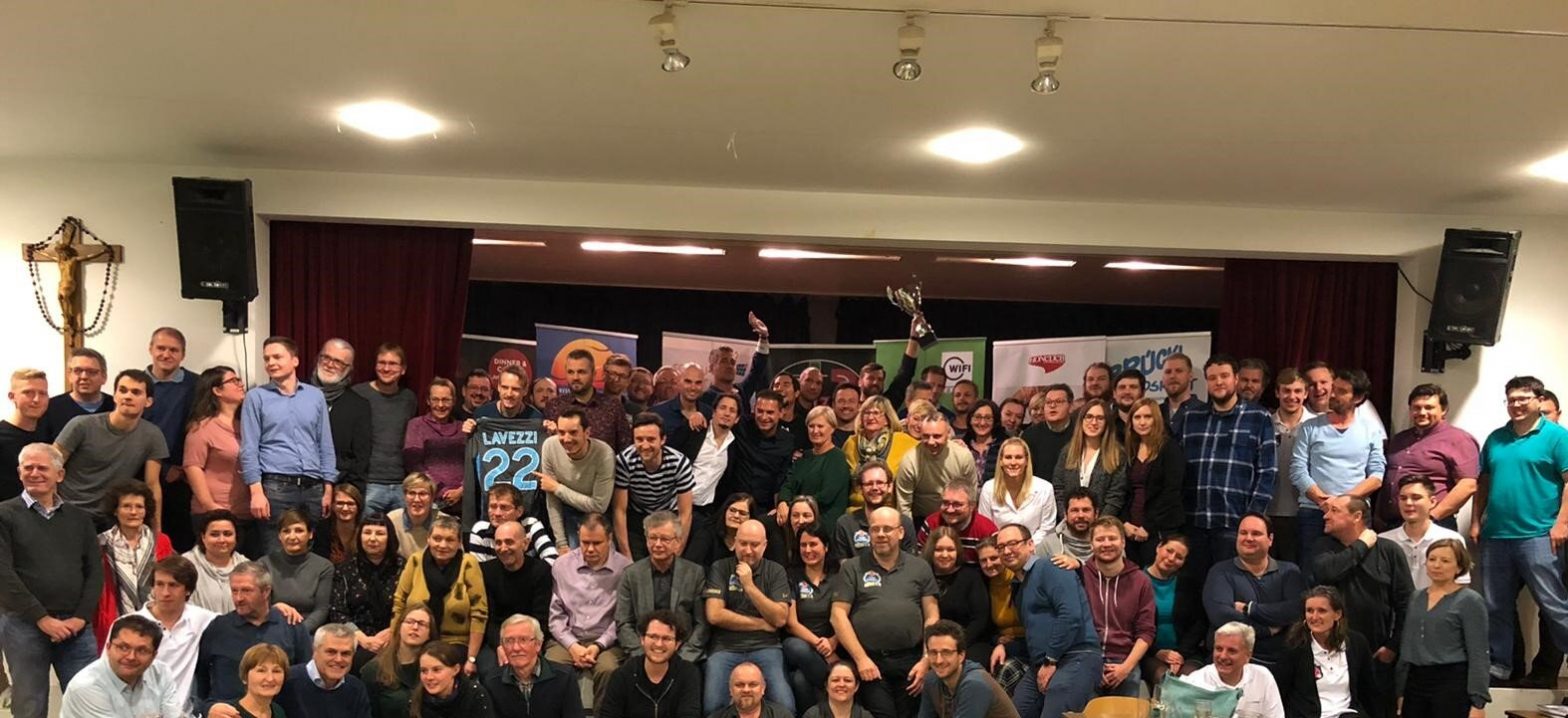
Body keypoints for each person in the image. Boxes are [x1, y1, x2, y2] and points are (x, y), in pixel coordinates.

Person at [1472, 375, 1568, 685]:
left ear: (1539, 401)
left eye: (1523, 399)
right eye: (1511, 399)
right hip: (1496, 536)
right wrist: (1476, 521)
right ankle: (1500, 666)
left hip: (1539, 536)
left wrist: (1562, 523)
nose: (1516, 405)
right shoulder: (1496, 438)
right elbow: (1483, 482)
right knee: (1495, 605)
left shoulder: (1557, 437)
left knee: (1553, 605)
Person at [0, 443, 102, 718]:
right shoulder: (4, 515)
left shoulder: (80, 519)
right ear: (19, 472)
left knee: (89, 703)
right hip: (23, 625)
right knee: (30, 705)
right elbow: (3, 575)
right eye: (28, 468)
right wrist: (42, 619)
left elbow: (95, 572)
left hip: (76, 628)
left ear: (60, 474)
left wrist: (81, 617)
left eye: (42, 468)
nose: (34, 473)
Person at [831, 507, 939, 718]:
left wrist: (926, 660)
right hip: (870, 663)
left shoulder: (920, 567)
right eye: (875, 529)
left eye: (887, 529)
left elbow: (932, 616)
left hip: (912, 661)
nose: (880, 534)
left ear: (900, 532)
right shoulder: (852, 567)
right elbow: (838, 615)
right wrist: (861, 659)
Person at [1180, 354, 1277, 578]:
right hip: (1193, 521)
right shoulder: (1191, 417)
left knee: (1231, 587)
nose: (1219, 382)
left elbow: (1267, 473)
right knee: (1194, 588)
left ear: (1236, 379)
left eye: (1224, 376)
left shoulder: (1259, 417)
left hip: (1234, 524)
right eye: (1212, 377)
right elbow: (1178, 469)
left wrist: (1252, 518)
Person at [1312, 496, 1411, 715]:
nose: (1326, 515)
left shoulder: (1389, 551)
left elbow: (1406, 603)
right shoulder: (1322, 547)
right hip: (1333, 657)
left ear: (1357, 516)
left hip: (1378, 656)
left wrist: (1393, 646)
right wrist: (1362, 544)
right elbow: (1328, 573)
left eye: (1334, 510)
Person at [241, 336, 338, 554]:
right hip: (276, 486)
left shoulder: (315, 396)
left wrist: (328, 487)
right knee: (277, 553)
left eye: (277, 357)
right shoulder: (256, 397)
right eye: (267, 358)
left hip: (313, 487)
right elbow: (249, 448)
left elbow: (325, 444)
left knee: (314, 553)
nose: (271, 363)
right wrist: (256, 492)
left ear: (295, 360)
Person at [993, 522, 1099, 718]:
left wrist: (1051, 660)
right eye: (1000, 547)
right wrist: (1005, 647)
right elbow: (1036, 635)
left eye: (1013, 543)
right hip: (1041, 663)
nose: (1006, 551)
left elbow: (1070, 615)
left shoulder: (1051, 566)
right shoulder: (1019, 586)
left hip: (1074, 656)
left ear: (1030, 544)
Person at [1291, 369, 1386, 580]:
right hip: (1315, 512)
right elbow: (1297, 470)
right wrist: (1324, 502)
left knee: (1356, 575)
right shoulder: (1310, 427)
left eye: (1341, 391)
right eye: (1334, 388)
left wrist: (1343, 503)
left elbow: (1377, 475)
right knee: (1311, 575)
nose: (1332, 394)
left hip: (1354, 515)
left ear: (1358, 398)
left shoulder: (1371, 430)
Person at [703, 519, 795, 715]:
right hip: (725, 647)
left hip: (766, 647)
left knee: (786, 707)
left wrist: (749, 585)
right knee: (713, 708)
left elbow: (779, 619)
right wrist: (761, 623)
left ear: (765, 545)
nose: (748, 550)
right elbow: (714, 614)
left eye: (754, 544)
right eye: (743, 543)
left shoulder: (775, 571)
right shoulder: (720, 567)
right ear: (734, 542)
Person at [55, 369, 169, 526]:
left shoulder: (153, 435)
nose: (128, 396)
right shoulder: (81, 425)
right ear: (115, 396)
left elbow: (152, 485)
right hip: (68, 511)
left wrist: (156, 529)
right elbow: (50, 467)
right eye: (123, 390)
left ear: (148, 401)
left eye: (136, 392)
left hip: (111, 515)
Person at [193, 561, 312, 711]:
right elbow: (201, 675)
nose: (238, 598)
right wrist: (207, 708)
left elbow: (305, 674)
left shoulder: (291, 625)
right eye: (234, 591)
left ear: (266, 591)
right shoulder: (218, 627)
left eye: (246, 591)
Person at [1396, 539, 1488, 718]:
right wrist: (1400, 690)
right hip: (1415, 680)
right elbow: (1407, 644)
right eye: (1432, 559)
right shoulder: (1416, 597)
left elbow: (1478, 653)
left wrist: (1478, 701)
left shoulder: (1470, 600)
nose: (1437, 565)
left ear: (1459, 567)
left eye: (1445, 561)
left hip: (1451, 680)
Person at [546, 513, 630, 706]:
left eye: (597, 543)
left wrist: (598, 645)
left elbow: (622, 617)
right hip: (567, 639)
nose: (590, 549)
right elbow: (556, 616)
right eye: (585, 542)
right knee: (551, 669)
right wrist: (572, 645)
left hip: (607, 642)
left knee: (608, 670)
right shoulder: (562, 565)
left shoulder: (625, 569)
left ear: (609, 539)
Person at [1201, 513, 1306, 668]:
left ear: (1270, 539)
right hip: (1232, 662)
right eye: (1243, 533)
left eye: (1256, 533)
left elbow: (1294, 610)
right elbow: (1222, 616)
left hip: (1282, 661)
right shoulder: (1220, 572)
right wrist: (1266, 630)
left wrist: (1249, 609)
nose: (1248, 538)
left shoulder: (1290, 571)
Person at [1374, 384, 1478, 532]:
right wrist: (1378, 515)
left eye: (1429, 407)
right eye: (1416, 408)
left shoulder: (1459, 439)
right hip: (1391, 524)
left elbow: (1468, 485)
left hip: (1433, 524)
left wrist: (1432, 517)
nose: (1422, 412)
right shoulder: (1399, 439)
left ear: (1444, 410)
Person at [391, 514, 488, 666]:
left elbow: (479, 612)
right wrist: (393, 644)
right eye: (437, 538)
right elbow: (399, 603)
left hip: (455, 642)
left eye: (450, 540)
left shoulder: (468, 563)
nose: (442, 545)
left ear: (459, 543)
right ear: (428, 539)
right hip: (416, 638)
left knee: (437, 663)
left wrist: (471, 658)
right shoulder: (415, 561)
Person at [616, 511, 710, 665]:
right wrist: (644, 656)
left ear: (678, 542)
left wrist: (683, 658)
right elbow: (623, 622)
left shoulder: (695, 573)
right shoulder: (631, 574)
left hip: (684, 655)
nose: (658, 544)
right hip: (641, 655)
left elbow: (702, 624)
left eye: (665, 539)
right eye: (653, 538)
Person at [1273, 586, 1380, 718]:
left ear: (1337, 614)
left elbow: (1369, 691)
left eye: (1322, 611)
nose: (1314, 617)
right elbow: (1279, 692)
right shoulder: (1294, 647)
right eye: (1309, 610)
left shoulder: (1357, 643)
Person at [94, 480, 175, 649]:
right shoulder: (101, 543)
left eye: (139, 507)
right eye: (126, 506)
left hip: (155, 619)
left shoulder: (161, 541)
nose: (133, 512)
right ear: (115, 510)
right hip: (114, 618)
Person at [1079, 516, 1154, 698]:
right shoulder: (1080, 576)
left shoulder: (1141, 580)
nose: (1106, 544)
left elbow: (1146, 632)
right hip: (1086, 657)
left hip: (1124, 660)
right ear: (1091, 544)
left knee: (1125, 704)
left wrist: (1125, 668)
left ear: (1123, 542)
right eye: (1100, 539)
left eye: (1112, 538)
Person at [134, 555, 218, 709]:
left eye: (173, 585)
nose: (165, 592)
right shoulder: (129, 624)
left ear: (188, 590)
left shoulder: (203, 619)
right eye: (159, 584)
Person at [59, 614, 184, 718]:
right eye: (123, 648)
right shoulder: (86, 687)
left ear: (153, 655)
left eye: (142, 650)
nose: (131, 657)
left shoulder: (161, 673)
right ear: (108, 648)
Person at [185, 366, 254, 555]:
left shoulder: (247, 425)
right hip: (214, 514)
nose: (240, 384)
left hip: (246, 513)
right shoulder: (203, 427)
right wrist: (211, 507)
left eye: (239, 380)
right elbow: (193, 467)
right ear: (217, 390)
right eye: (233, 381)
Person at [143, 327, 200, 551]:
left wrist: (185, 469)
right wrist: (163, 469)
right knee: (147, 543)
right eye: (161, 348)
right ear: (150, 349)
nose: (166, 354)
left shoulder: (197, 385)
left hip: (182, 479)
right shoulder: (137, 385)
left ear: (183, 355)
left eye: (173, 350)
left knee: (182, 545)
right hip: (142, 476)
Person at [614, 413, 695, 559]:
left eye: (651, 439)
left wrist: (676, 553)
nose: (645, 445)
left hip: (669, 515)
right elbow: (620, 510)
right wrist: (626, 556)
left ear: (662, 440)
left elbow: (685, 512)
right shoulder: (624, 462)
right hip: (637, 516)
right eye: (639, 439)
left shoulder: (679, 463)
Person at [330, 512, 405, 667]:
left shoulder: (404, 567)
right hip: (355, 638)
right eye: (367, 532)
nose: (372, 538)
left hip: (396, 635)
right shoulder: (345, 569)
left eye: (380, 533)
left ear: (390, 537)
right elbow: (338, 611)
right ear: (360, 536)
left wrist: (393, 631)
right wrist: (362, 638)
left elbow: (411, 606)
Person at [599, 609, 704, 718]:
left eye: (667, 638)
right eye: (653, 636)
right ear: (642, 639)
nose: (659, 644)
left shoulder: (688, 674)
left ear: (677, 644)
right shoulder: (623, 675)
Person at [538, 407, 616, 550]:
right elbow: (552, 500)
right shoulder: (550, 446)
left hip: (599, 513)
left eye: (573, 433)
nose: (567, 439)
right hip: (567, 510)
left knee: (605, 557)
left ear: (587, 433)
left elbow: (599, 506)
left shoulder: (604, 454)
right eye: (561, 432)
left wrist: (557, 488)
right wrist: (561, 543)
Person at [478, 521, 552, 672]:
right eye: (498, 543)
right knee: (490, 670)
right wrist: (501, 644)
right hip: (497, 638)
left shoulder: (541, 571)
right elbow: (489, 618)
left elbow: (541, 617)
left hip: (531, 637)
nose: (503, 548)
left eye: (509, 542)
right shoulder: (486, 571)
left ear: (525, 543)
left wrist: (522, 645)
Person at [310, 339, 374, 513]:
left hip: (339, 492)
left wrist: (344, 492)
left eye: (338, 362)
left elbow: (360, 458)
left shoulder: (359, 406)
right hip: (298, 486)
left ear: (348, 369)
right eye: (326, 357)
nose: (330, 364)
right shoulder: (296, 395)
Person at [354, 342, 419, 509]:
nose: (386, 368)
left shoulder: (409, 398)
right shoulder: (358, 394)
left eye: (392, 363)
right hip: (368, 483)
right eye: (382, 363)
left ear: (403, 369)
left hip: (402, 484)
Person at [1121, 397, 1185, 566]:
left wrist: (1148, 526)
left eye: (1147, 417)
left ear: (1156, 419)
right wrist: (1125, 522)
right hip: (1131, 530)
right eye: (1137, 417)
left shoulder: (1169, 448)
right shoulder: (1130, 450)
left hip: (1160, 529)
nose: (1142, 422)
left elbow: (1171, 492)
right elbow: (1125, 492)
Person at [481, 614, 582, 718]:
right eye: (509, 641)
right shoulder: (492, 682)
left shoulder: (564, 677)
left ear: (538, 644)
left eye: (523, 640)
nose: (516, 648)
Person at [784, 524, 840, 709]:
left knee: (800, 680)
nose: (807, 550)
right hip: (803, 645)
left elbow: (849, 616)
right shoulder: (791, 575)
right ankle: (832, 685)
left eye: (813, 544)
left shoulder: (839, 576)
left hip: (835, 643)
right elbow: (791, 623)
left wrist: (833, 642)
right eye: (803, 545)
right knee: (795, 647)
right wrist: (823, 648)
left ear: (826, 546)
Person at [1378, 477, 1468, 591]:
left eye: (1416, 498)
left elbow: (1461, 587)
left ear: (1432, 502)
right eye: (1403, 498)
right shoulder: (1383, 541)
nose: (1408, 503)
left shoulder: (1451, 539)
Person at [917, 620, 1019, 718]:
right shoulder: (931, 679)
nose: (939, 660)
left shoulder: (974, 684)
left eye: (946, 653)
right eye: (933, 653)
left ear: (961, 655)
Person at [1183, 622, 1286, 718]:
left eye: (1232, 651)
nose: (1223, 656)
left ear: (1248, 655)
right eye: (1219, 649)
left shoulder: (1263, 677)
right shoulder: (1195, 682)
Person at [259, 507, 336, 633]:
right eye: (286, 531)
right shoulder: (264, 564)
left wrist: (299, 632)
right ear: (279, 535)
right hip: (271, 628)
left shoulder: (324, 567)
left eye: (299, 531)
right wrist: (273, 608)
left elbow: (321, 610)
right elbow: (258, 606)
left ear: (310, 534)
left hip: (308, 632)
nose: (292, 536)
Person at [718, 389, 796, 512]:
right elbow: (718, 417)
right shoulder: (741, 426)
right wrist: (698, 415)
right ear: (754, 410)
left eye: (770, 412)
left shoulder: (787, 441)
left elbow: (782, 479)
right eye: (760, 411)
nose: (764, 417)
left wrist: (779, 506)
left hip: (763, 509)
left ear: (781, 413)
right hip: (730, 503)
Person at [544, 348, 634, 452]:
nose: (575, 377)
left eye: (581, 372)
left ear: (594, 374)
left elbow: (625, 450)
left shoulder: (613, 406)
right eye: (570, 372)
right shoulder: (554, 406)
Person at [274, 623, 373, 718]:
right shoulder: (287, 681)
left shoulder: (356, 688)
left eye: (345, 653)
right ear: (315, 651)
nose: (338, 659)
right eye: (331, 652)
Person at [1049, 399, 1126, 520]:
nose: (1094, 422)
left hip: (1102, 524)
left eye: (1100, 418)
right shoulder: (1068, 451)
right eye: (1089, 417)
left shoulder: (1117, 454)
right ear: (1081, 420)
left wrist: (1100, 523)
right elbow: (1058, 489)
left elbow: (1116, 496)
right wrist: (1067, 517)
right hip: (1069, 523)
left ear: (1107, 423)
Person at [924, 526, 992, 665]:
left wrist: (954, 645)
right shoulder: (923, 576)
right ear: (931, 551)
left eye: (950, 550)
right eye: (939, 549)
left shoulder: (971, 576)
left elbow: (980, 620)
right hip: (929, 645)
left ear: (958, 551)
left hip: (969, 643)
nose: (945, 555)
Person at [1142, 535, 1203, 686]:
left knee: (1189, 681)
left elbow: (1199, 623)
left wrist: (1179, 654)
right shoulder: (1136, 580)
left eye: (1179, 557)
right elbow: (1131, 626)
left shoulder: (1188, 584)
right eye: (1169, 551)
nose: (1171, 558)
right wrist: (1157, 652)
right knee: (1165, 680)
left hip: (1185, 653)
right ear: (1158, 547)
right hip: (1148, 653)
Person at [778, 405, 853, 529]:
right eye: (811, 426)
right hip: (799, 514)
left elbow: (826, 496)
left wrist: (792, 507)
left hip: (822, 520)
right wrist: (782, 503)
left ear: (832, 428)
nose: (815, 431)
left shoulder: (838, 458)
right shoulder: (804, 456)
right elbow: (788, 484)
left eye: (820, 426)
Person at [1268, 368, 1314, 564]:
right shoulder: (1264, 424)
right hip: (1269, 511)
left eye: (1297, 391)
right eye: (1286, 390)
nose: (1292, 396)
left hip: (1304, 512)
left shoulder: (1317, 425)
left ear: (1306, 393)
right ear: (1277, 392)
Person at [896, 414, 977, 521]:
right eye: (926, 436)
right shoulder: (910, 461)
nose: (931, 442)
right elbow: (904, 506)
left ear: (948, 434)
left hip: (957, 516)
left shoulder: (963, 456)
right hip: (921, 519)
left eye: (937, 436)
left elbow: (971, 497)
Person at [977, 438, 1055, 549]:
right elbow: (986, 528)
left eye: (1018, 457)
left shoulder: (1045, 488)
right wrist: (1005, 547)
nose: (1013, 463)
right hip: (1000, 551)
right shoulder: (988, 488)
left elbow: (1047, 529)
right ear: (1001, 461)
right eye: (1008, 457)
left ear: (1026, 461)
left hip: (1035, 550)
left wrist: (1025, 548)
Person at [404, 377, 466, 513]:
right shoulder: (416, 425)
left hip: (462, 501)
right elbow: (413, 464)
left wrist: (462, 490)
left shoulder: (463, 429)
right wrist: (441, 490)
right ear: (428, 401)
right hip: (429, 500)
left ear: (454, 401)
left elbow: (472, 465)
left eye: (446, 400)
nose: (440, 405)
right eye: (435, 399)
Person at [360, 602, 433, 718]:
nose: (415, 627)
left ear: (430, 633)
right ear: (399, 627)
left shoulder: (435, 669)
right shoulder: (373, 670)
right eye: (409, 622)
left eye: (422, 624)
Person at [835, 462, 917, 560]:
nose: (874, 488)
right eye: (869, 484)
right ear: (860, 489)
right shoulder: (845, 525)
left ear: (890, 486)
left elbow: (911, 564)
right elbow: (842, 564)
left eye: (880, 483)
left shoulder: (904, 523)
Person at [465, 482, 558, 564]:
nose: (497, 513)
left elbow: (552, 560)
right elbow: (478, 571)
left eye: (504, 507)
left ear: (519, 511)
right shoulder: (480, 530)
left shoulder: (530, 525)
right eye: (493, 506)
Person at [40, 348, 112, 442]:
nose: (84, 376)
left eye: (91, 372)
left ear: (104, 377)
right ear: (69, 375)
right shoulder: (49, 408)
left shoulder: (116, 407)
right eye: (78, 371)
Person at [917, 481, 998, 565]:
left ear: (972, 506)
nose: (950, 510)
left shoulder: (986, 531)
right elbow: (920, 561)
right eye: (945, 503)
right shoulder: (932, 524)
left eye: (957, 504)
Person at [184, 510, 248, 613]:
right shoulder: (185, 565)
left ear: (236, 537)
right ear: (203, 537)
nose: (222, 540)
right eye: (214, 534)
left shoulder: (247, 567)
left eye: (227, 534)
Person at [843, 396, 918, 483]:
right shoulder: (851, 442)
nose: (870, 418)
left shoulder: (902, 440)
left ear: (887, 419)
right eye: (867, 413)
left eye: (876, 413)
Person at [413, 641, 496, 718]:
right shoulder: (416, 701)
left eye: (436, 670)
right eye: (424, 671)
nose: (429, 677)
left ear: (456, 669)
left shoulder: (475, 696)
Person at [1, 368, 49, 502]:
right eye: (28, 393)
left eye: (42, 393)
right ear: (12, 396)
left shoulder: (49, 436)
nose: (36, 399)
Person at [687, 392, 740, 515]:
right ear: (713, 412)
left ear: (737, 419)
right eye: (723, 408)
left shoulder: (734, 445)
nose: (727, 413)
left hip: (704, 510)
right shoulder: (694, 431)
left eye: (732, 411)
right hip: (676, 502)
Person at [653, 363, 714, 463]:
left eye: (698, 383)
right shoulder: (657, 413)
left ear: (703, 385)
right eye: (688, 381)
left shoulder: (709, 414)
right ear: (679, 382)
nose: (693, 387)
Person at [1019, 385, 1073, 488]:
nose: (1052, 406)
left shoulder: (1079, 432)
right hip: (1038, 492)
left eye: (1058, 402)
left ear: (1070, 406)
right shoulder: (1030, 435)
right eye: (1048, 402)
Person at [217, 643, 289, 718]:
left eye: (276, 671)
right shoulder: (227, 714)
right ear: (245, 677)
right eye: (261, 671)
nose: (270, 678)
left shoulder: (278, 712)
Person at [688, 492, 759, 566]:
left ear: (751, 518)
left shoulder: (753, 540)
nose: (736, 516)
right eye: (732, 510)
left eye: (742, 513)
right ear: (725, 511)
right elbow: (691, 566)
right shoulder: (706, 533)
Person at [1036, 488, 1096, 568]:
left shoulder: (1106, 543)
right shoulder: (1048, 544)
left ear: (1096, 514)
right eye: (1074, 510)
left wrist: (1079, 565)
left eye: (1086, 510)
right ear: (1065, 514)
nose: (1080, 515)